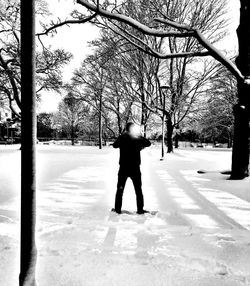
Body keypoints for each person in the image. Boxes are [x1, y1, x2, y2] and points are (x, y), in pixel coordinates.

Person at [112, 122, 151, 214]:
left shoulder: (123, 137)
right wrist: (138, 136)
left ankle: (117, 209)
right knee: (138, 190)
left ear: (126, 129)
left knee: (120, 190)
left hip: (123, 169)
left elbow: (114, 145)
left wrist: (122, 136)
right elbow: (148, 143)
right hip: (135, 169)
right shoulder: (137, 138)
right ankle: (140, 210)